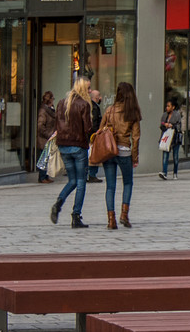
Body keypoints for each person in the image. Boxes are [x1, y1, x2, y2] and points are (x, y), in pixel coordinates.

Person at [49, 78, 93, 228]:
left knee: (72, 180)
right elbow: (88, 128)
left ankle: (59, 202)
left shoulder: (62, 102)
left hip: (63, 146)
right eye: (88, 88)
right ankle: (76, 215)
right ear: (82, 89)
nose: (90, 91)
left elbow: (56, 124)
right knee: (81, 182)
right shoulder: (83, 105)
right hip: (78, 146)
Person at [99, 81, 141, 229]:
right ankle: (124, 214)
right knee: (128, 183)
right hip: (124, 151)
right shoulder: (133, 112)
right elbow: (135, 138)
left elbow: (100, 131)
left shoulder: (109, 110)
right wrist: (134, 157)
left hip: (109, 151)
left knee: (110, 186)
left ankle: (111, 220)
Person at [158, 99, 182, 180]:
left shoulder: (177, 115)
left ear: (173, 107)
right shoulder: (164, 115)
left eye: (168, 106)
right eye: (166, 106)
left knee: (175, 156)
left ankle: (175, 173)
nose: (167, 108)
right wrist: (165, 124)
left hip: (174, 138)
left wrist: (172, 125)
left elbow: (179, 126)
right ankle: (164, 172)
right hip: (166, 137)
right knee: (165, 155)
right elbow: (161, 124)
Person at [36, 91, 56, 183]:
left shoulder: (51, 109)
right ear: (50, 99)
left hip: (50, 138)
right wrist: (49, 134)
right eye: (53, 98)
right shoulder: (43, 111)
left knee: (48, 157)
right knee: (44, 157)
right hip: (45, 138)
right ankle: (42, 177)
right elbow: (40, 126)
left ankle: (46, 176)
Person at [86, 89, 103, 184]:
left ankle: (90, 174)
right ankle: (92, 174)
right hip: (93, 134)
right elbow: (95, 122)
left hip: (91, 134)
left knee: (91, 154)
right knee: (93, 155)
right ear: (95, 97)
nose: (100, 97)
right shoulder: (94, 108)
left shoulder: (92, 106)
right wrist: (96, 133)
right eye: (99, 95)